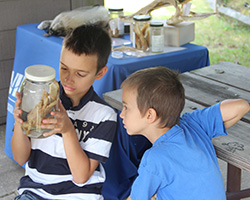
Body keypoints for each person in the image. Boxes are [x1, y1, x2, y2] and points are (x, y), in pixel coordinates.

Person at [11, 24, 117, 200]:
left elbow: (81, 177)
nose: (68, 79)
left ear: (100, 73)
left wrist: (68, 130)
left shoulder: (104, 116)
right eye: (64, 68)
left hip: (79, 196)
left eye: (80, 74)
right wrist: (19, 121)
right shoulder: (41, 99)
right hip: (35, 192)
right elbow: (20, 158)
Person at [120, 66, 250, 200]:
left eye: (126, 107)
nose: (121, 114)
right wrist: (208, 128)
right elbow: (242, 106)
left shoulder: (154, 159)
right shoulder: (195, 124)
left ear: (150, 115)